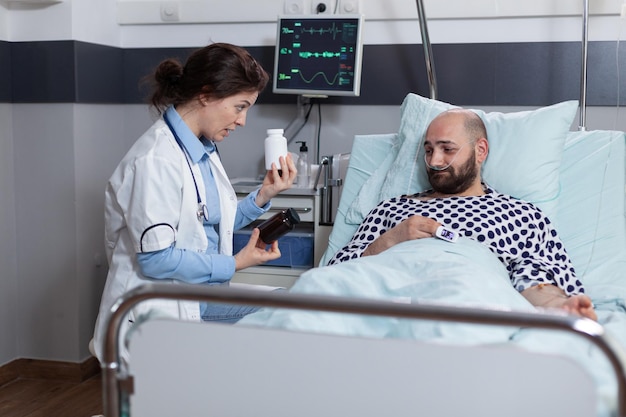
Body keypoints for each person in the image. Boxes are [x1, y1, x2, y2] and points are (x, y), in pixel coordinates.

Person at [91, 43, 297, 362]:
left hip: (199, 294)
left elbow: (208, 223)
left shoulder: (199, 151)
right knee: (290, 310)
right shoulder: (155, 160)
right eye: (239, 107)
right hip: (162, 306)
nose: (242, 121)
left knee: (292, 303)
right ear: (206, 94)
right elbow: (156, 259)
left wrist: (262, 196)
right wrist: (235, 263)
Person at [328, 109, 597, 320]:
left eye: (448, 149)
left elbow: (537, 277)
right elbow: (334, 275)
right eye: (429, 150)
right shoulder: (391, 208)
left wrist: (560, 305)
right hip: (381, 301)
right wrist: (390, 240)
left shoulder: (519, 215)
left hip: (462, 299)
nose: (434, 161)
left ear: (480, 151)